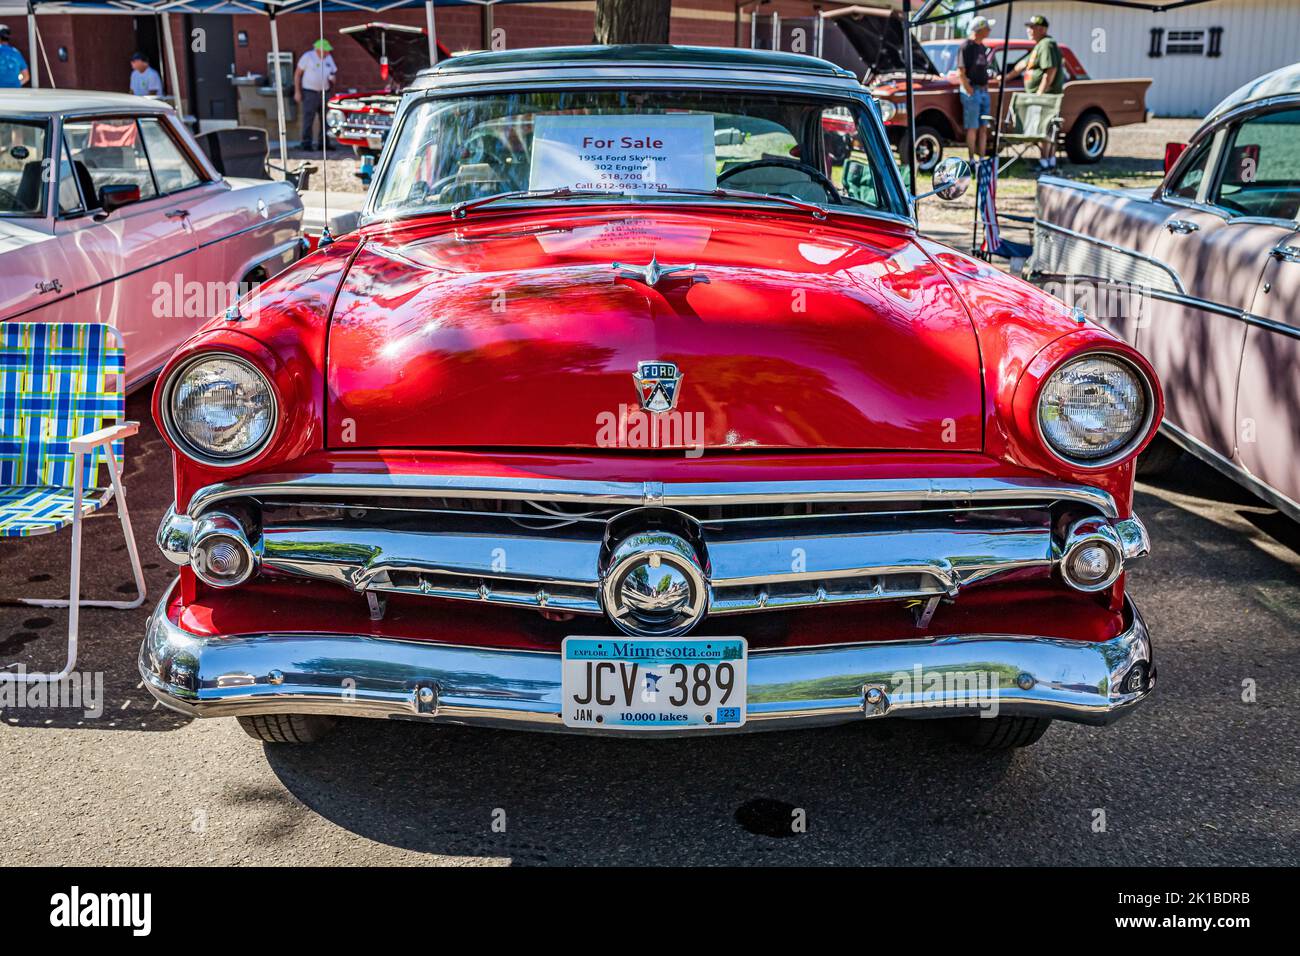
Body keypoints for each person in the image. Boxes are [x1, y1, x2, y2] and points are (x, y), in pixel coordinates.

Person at [1011, 14, 1064, 170]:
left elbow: (1051, 70)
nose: (1029, 30)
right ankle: (1048, 161)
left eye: (1033, 27)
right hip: (1042, 96)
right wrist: (1005, 77)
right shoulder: (1039, 45)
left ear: (1042, 29)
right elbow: (1022, 66)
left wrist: (1040, 94)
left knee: (1045, 129)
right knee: (1044, 130)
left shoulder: (1047, 44)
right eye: (1029, 27)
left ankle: (1046, 162)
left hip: (1046, 97)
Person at [957, 16, 993, 161]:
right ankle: (972, 159)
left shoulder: (982, 47)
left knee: (983, 127)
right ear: (979, 29)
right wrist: (968, 89)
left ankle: (982, 158)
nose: (989, 31)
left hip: (983, 91)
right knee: (973, 127)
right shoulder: (966, 46)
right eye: (987, 28)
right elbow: (961, 71)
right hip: (972, 91)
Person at [294, 39, 337, 151]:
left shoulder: (328, 58)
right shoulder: (308, 56)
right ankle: (306, 143)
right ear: (319, 49)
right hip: (310, 93)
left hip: (324, 92)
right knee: (308, 118)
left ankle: (323, 144)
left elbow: (333, 73)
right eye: (326, 50)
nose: (328, 52)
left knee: (326, 119)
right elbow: (297, 74)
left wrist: (332, 79)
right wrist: (297, 91)